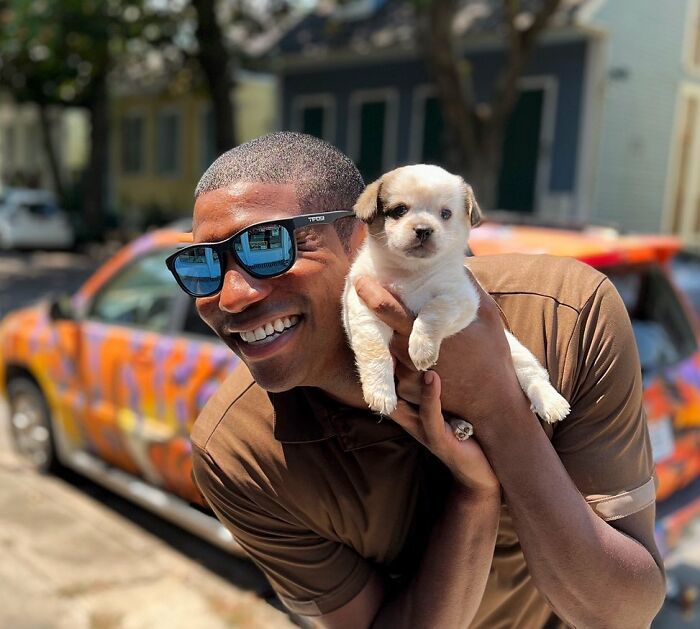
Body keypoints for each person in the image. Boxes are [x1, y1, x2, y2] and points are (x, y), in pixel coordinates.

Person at [176, 132, 665, 628]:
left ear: (362, 233)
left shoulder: (564, 315)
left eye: (267, 245)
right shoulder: (241, 451)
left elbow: (620, 613)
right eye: (201, 264)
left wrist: (498, 408)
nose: (231, 297)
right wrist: (473, 495)